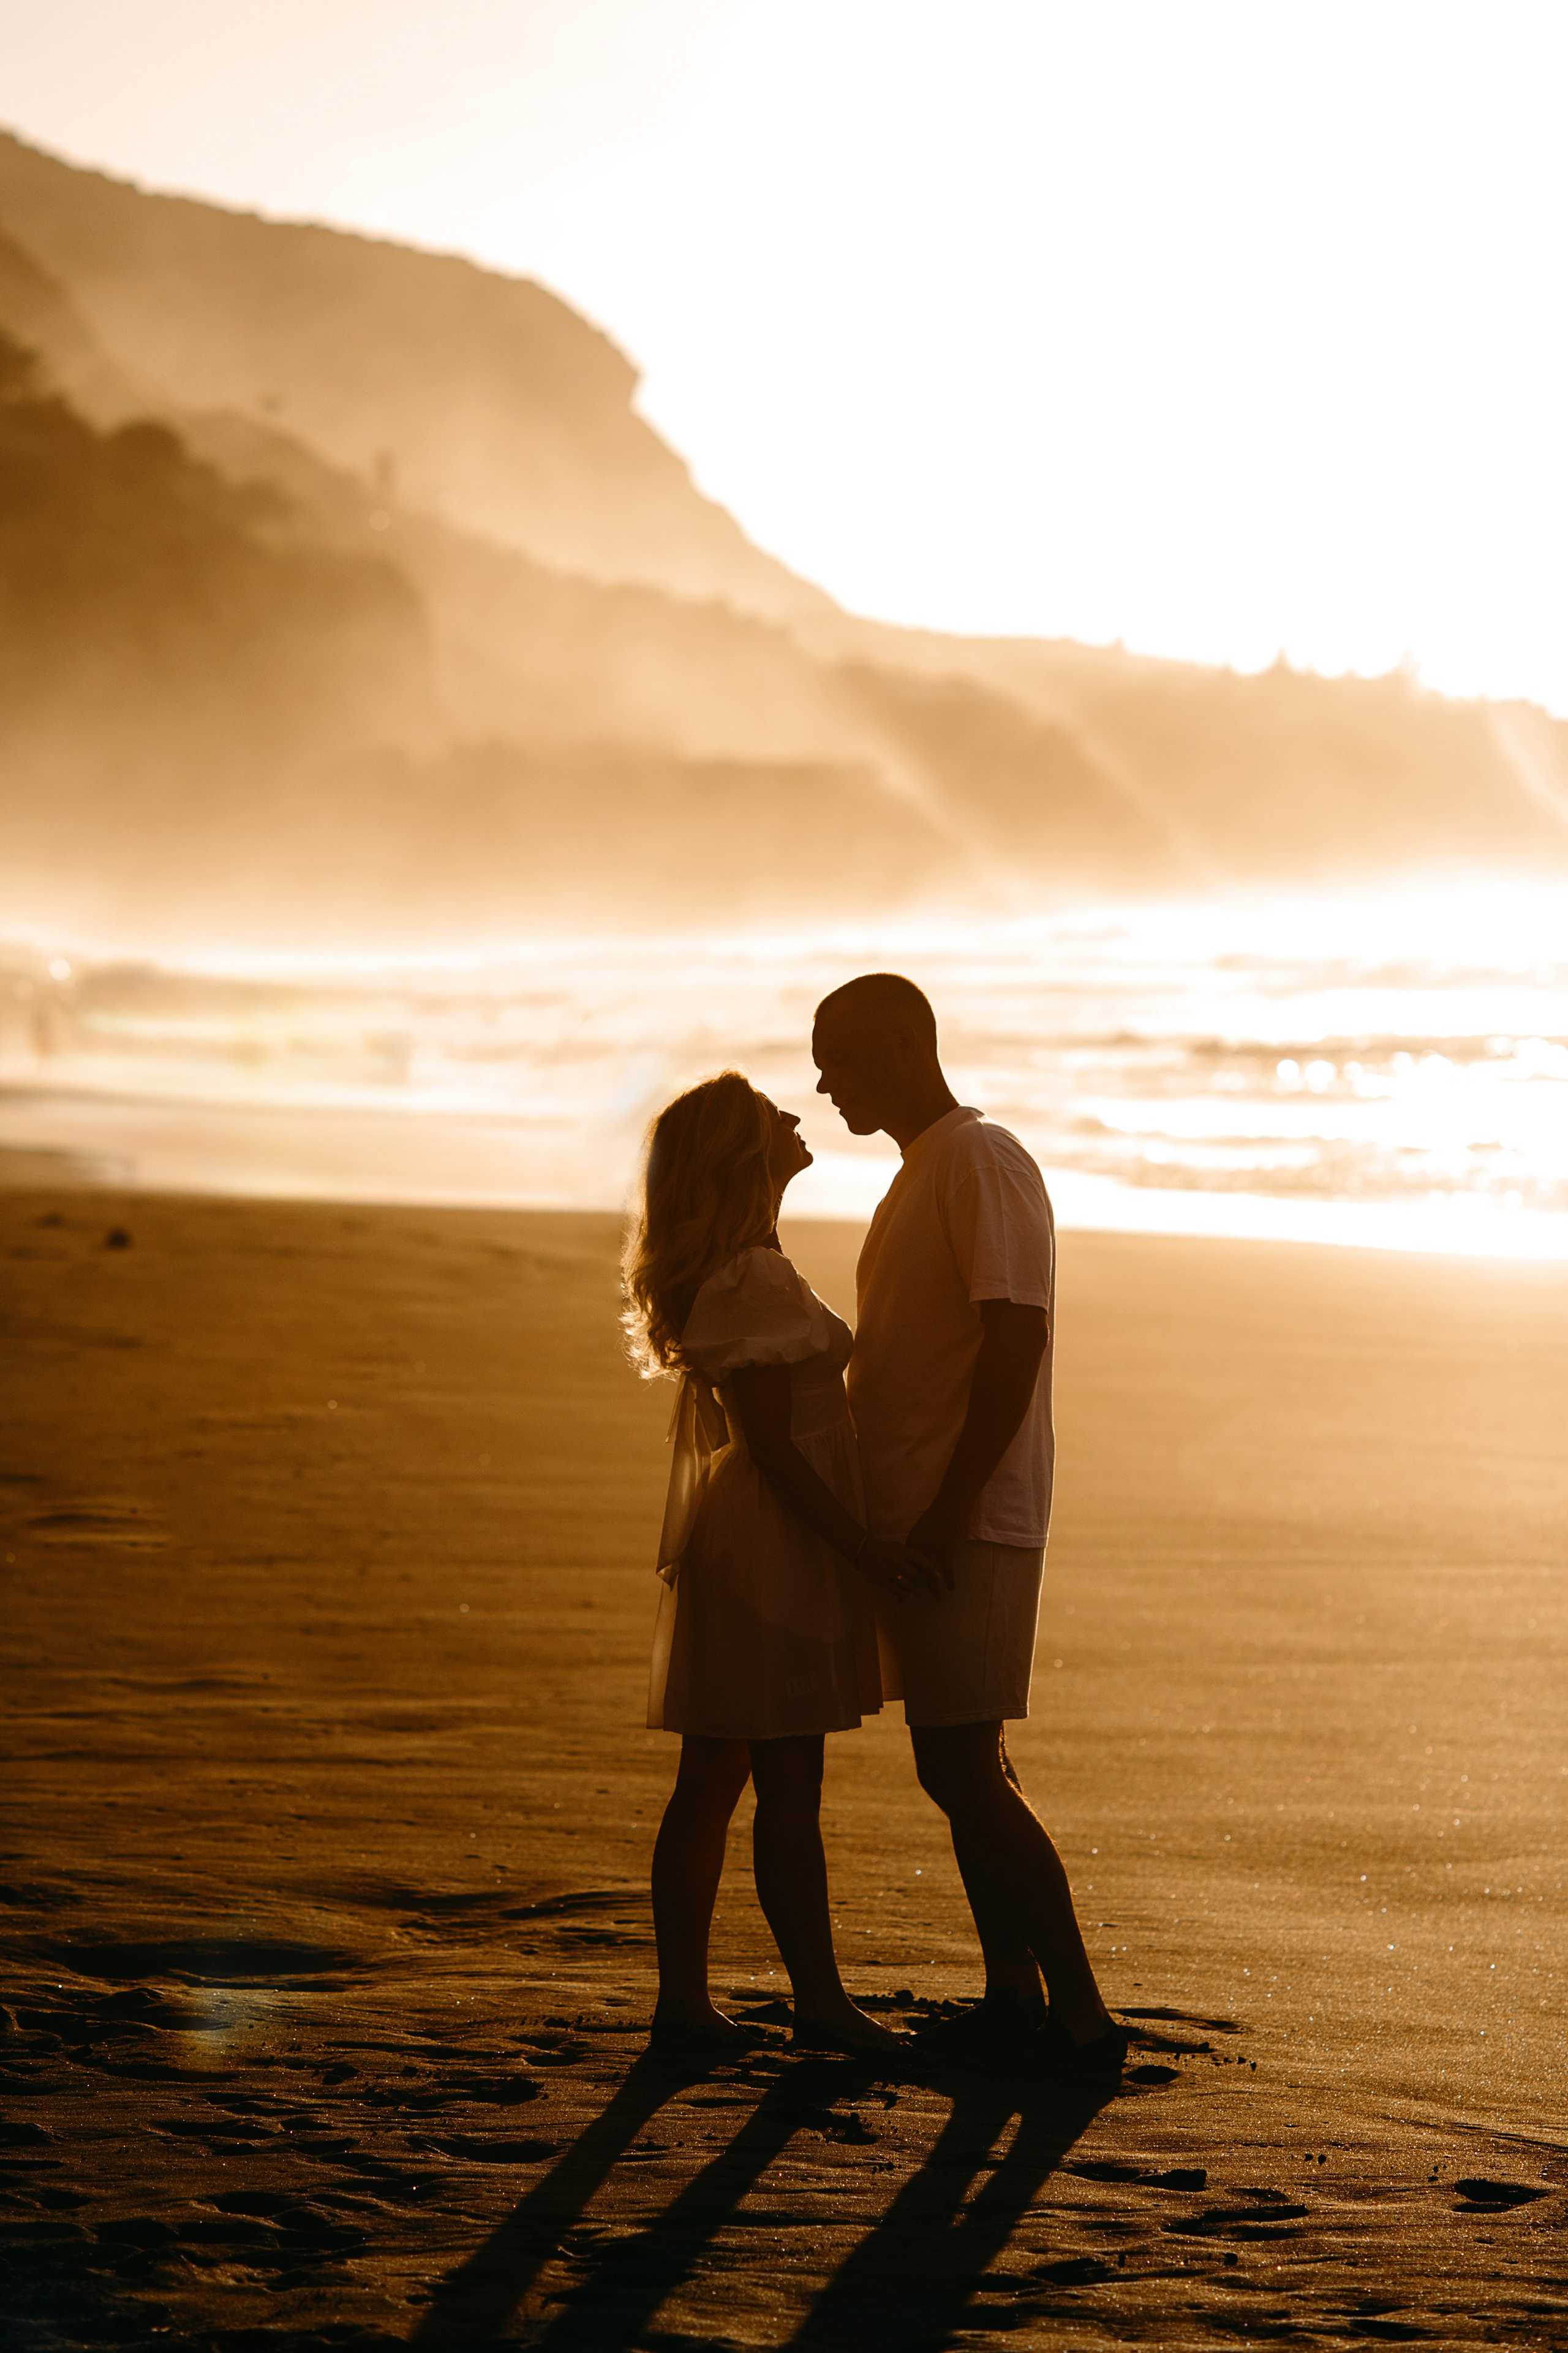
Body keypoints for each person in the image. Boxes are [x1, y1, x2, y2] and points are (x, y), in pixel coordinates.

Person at [812, 973, 1126, 2077]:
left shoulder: (980, 1159)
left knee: (962, 1764)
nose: (823, 1082)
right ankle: (1014, 1996)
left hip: (972, 1517)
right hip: (923, 1517)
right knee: (958, 1759)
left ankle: (1081, 2019)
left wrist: (947, 1513)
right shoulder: (919, 1174)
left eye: (840, 1057)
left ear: (905, 1044)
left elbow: (1015, 1338)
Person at [622, 1069, 929, 2057]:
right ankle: (819, 2004)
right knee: (784, 1783)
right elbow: (775, 1449)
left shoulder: (747, 1264)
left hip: (753, 1541)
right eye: (773, 1117)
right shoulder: (749, 1276)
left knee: (715, 1773)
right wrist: (860, 1545)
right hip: (774, 1547)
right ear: (744, 1155)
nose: (799, 1118)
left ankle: (688, 2003)